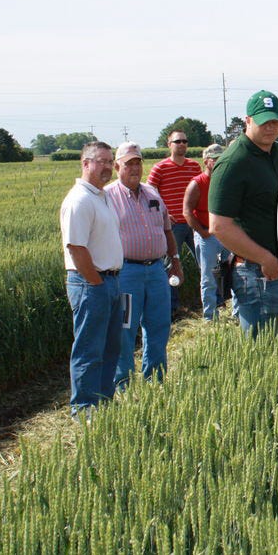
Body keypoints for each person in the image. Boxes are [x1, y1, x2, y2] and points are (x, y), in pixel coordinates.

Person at [209, 90, 278, 336]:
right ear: (248, 121)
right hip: (256, 272)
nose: (270, 128)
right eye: (263, 122)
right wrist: (264, 258)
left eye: (275, 121)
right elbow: (219, 226)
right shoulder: (233, 163)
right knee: (266, 346)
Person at [104, 142, 181, 386]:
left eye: (138, 162)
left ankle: (155, 382)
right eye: (129, 164)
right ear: (117, 166)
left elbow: (167, 229)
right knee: (124, 330)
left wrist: (175, 261)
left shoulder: (152, 193)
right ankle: (123, 385)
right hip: (126, 273)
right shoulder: (108, 196)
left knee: (159, 326)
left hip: (157, 271)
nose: (134, 168)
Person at [60, 141, 124, 418]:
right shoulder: (80, 200)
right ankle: (85, 409)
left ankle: (104, 402)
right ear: (85, 164)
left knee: (111, 347)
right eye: (101, 161)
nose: (107, 167)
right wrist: (96, 282)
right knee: (89, 349)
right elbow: (75, 247)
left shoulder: (101, 196)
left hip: (110, 281)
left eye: (110, 161)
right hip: (90, 283)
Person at [147, 129, 202, 315]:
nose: (182, 144)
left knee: (206, 262)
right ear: (169, 144)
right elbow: (150, 194)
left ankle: (211, 300)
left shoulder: (194, 166)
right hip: (172, 226)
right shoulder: (160, 168)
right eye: (178, 141)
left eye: (185, 141)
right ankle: (173, 308)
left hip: (194, 223)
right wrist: (164, 214)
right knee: (170, 267)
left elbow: (202, 190)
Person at [184, 143, 230, 321]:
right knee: (208, 277)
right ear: (206, 162)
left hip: (227, 234)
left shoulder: (226, 180)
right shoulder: (197, 184)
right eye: (215, 159)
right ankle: (210, 316)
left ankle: (237, 310)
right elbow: (187, 211)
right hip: (207, 237)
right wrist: (203, 232)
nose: (219, 162)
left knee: (233, 272)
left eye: (222, 159)